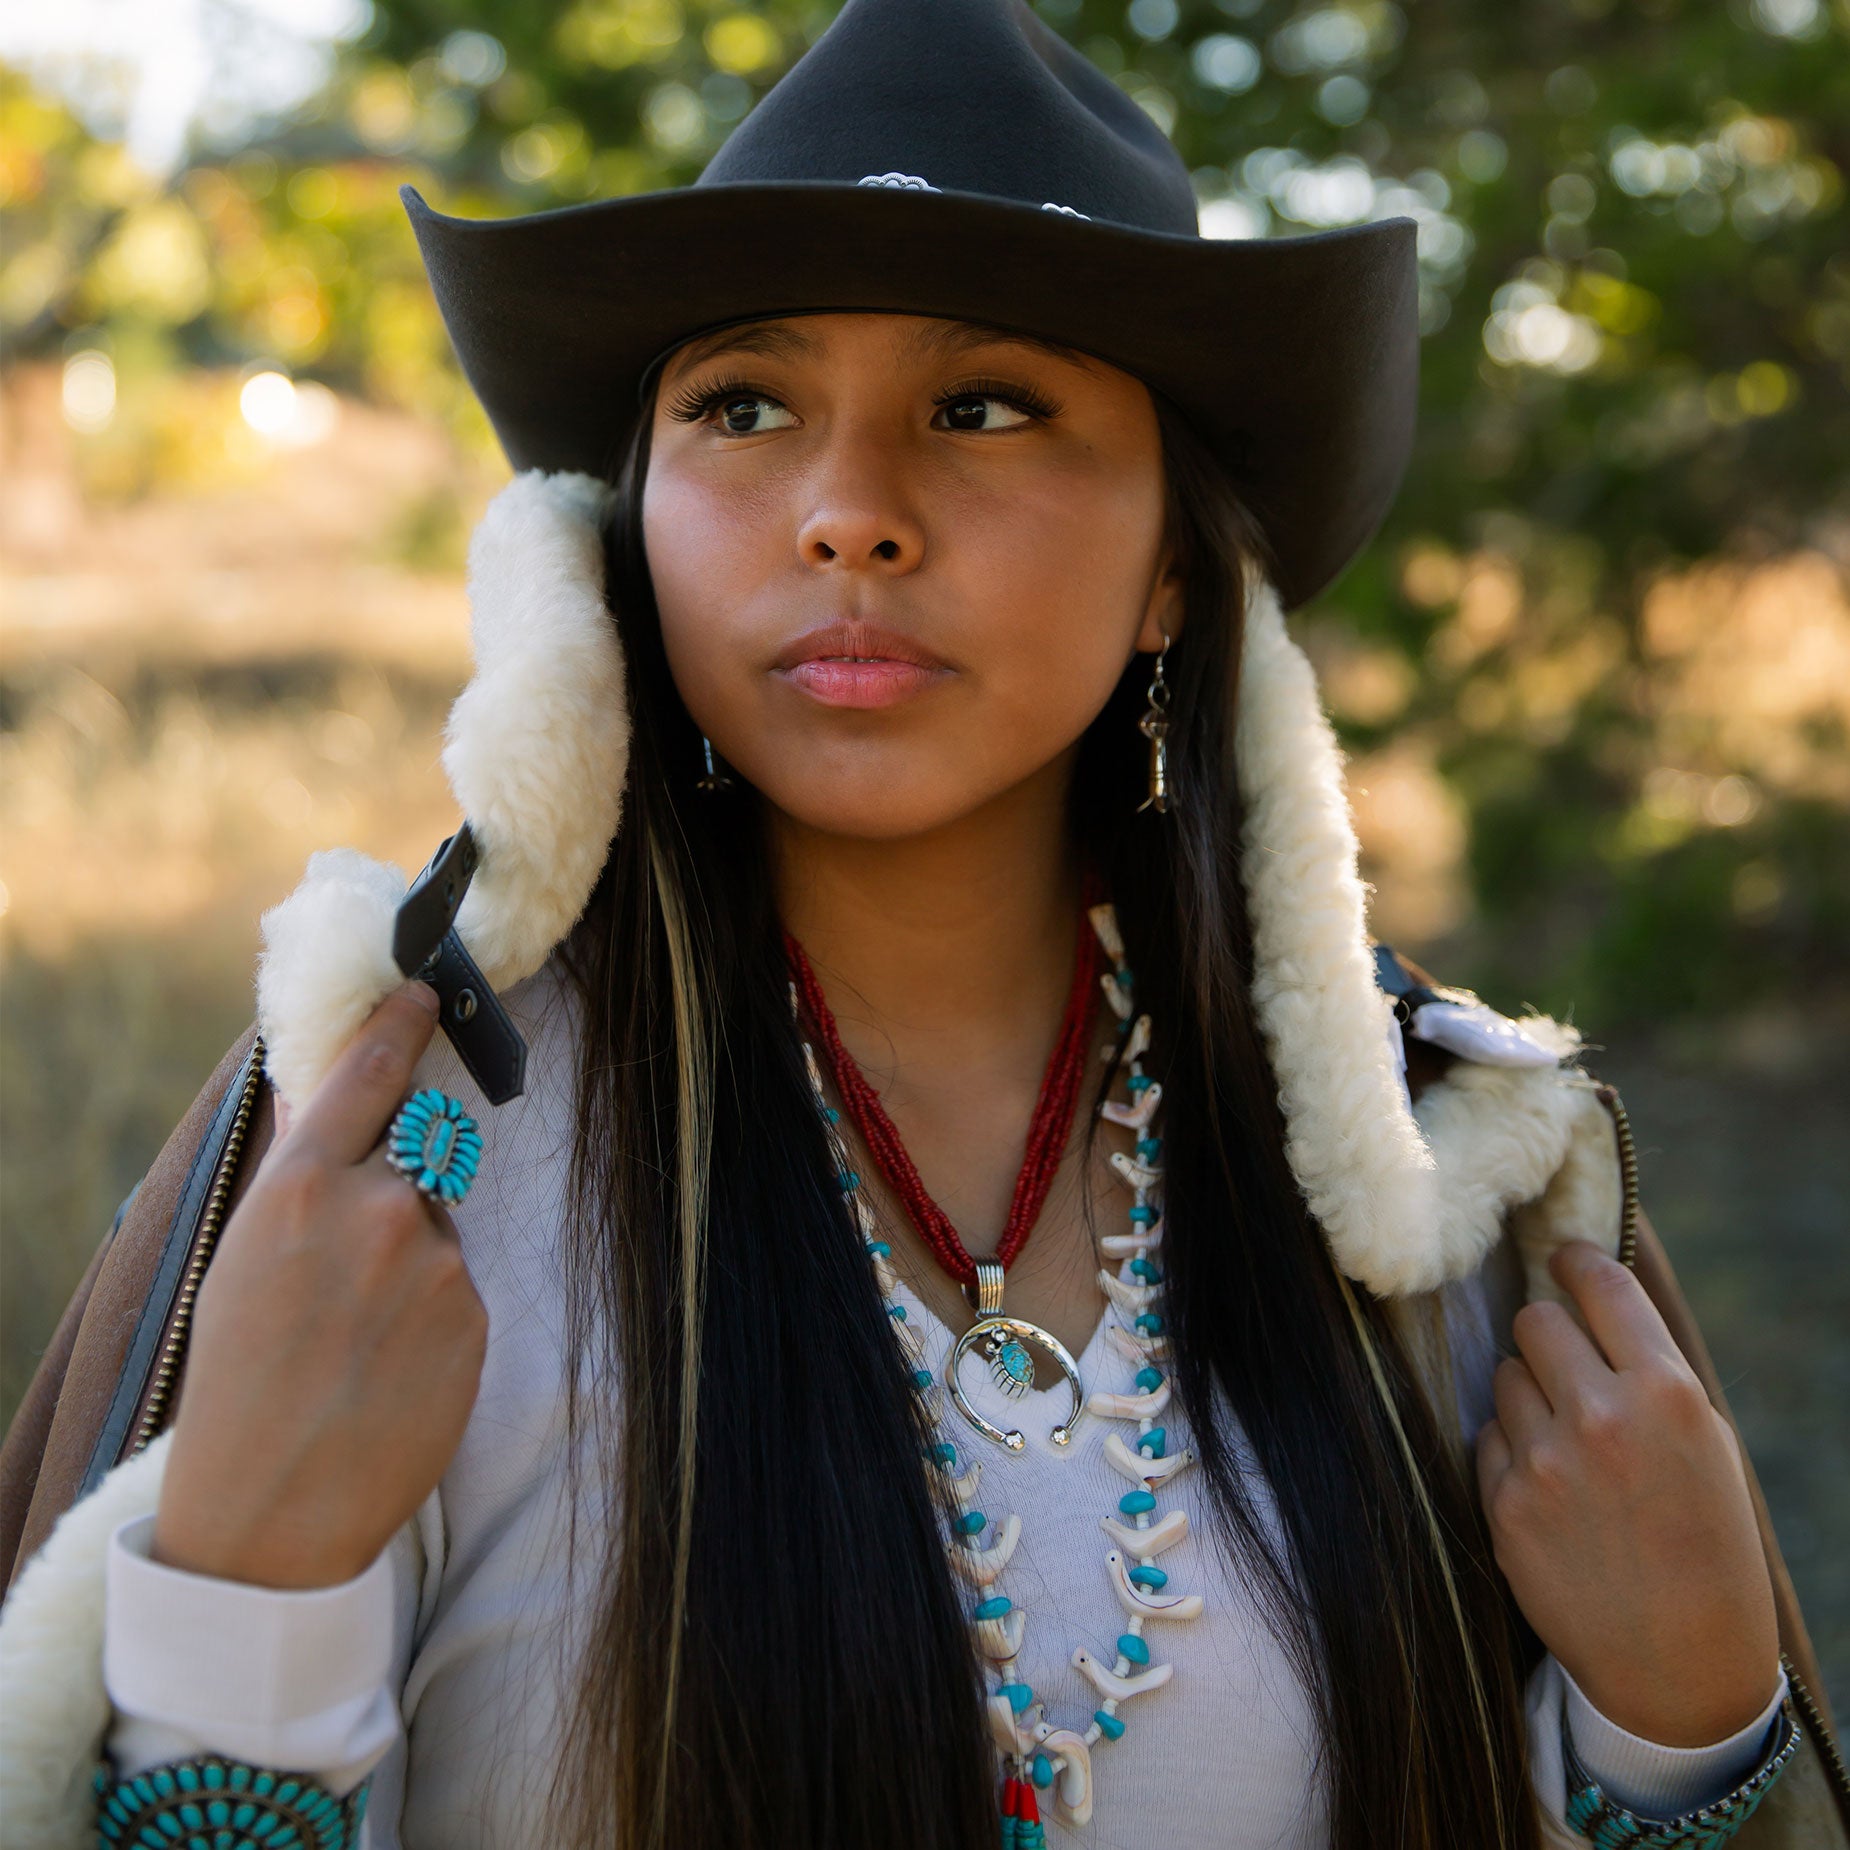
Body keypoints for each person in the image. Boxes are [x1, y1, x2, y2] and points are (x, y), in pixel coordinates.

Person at [0, 2, 1842, 1847]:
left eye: (984, 407)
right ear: (628, 523)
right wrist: (247, 1586)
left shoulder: (1436, 1188)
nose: (847, 515)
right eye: (742, 408)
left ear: (1174, 570)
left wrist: (1683, 1725)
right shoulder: (402, 1146)